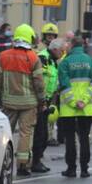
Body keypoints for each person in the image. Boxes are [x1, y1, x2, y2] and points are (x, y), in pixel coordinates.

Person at [0, 24, 46, 177]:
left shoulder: (4, 56)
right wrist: (42, 101)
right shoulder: (33, 57)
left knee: (6, 133)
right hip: (28, 104)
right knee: (25, 133)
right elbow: (39, 83)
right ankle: (23, 165)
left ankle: (1, 163)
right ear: (29, 38)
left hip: (8, 102)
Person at [58, 35, 92, 178]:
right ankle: (84, 169)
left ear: (72, 45)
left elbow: (64, 85)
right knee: (84, 138)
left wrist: (73, 102)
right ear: (82, 45)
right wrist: (84, 100)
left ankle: (71, 169)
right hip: (86, 108)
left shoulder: (65, 62)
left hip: (69, 109)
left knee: (70, 138)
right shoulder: (91, 62)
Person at [31, 35, 65, 172]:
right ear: (55, 49)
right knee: (40, 133)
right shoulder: (43, 58)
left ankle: (37, 160)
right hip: (39, 101)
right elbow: (38, 79)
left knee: (43, 133)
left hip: (47, 100)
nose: (63, 54)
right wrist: (42, 99)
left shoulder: (52, 60)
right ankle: (35, 161)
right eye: (61, 51)